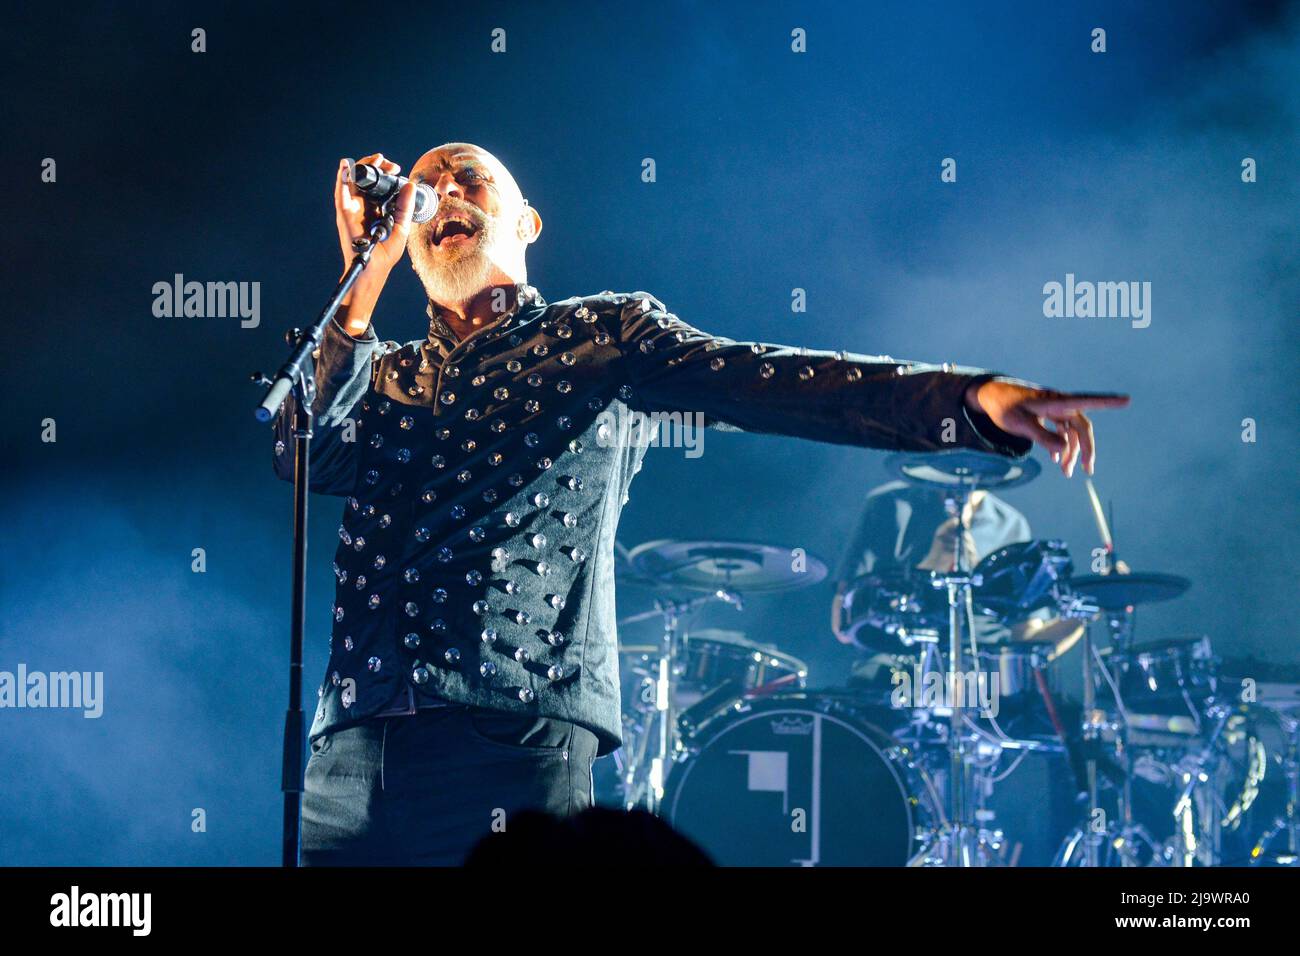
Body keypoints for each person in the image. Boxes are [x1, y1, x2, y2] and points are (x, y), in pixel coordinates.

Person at [272, 143, 1128, 865]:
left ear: (527, 222)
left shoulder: (601, 337)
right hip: (352, 754)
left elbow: (778, 382)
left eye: (470, 178)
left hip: (512, 737)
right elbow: (304, 452)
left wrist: (966, 401)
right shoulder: (376, 372)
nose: (446, 192)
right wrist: (364, 269)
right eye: (431, 185)